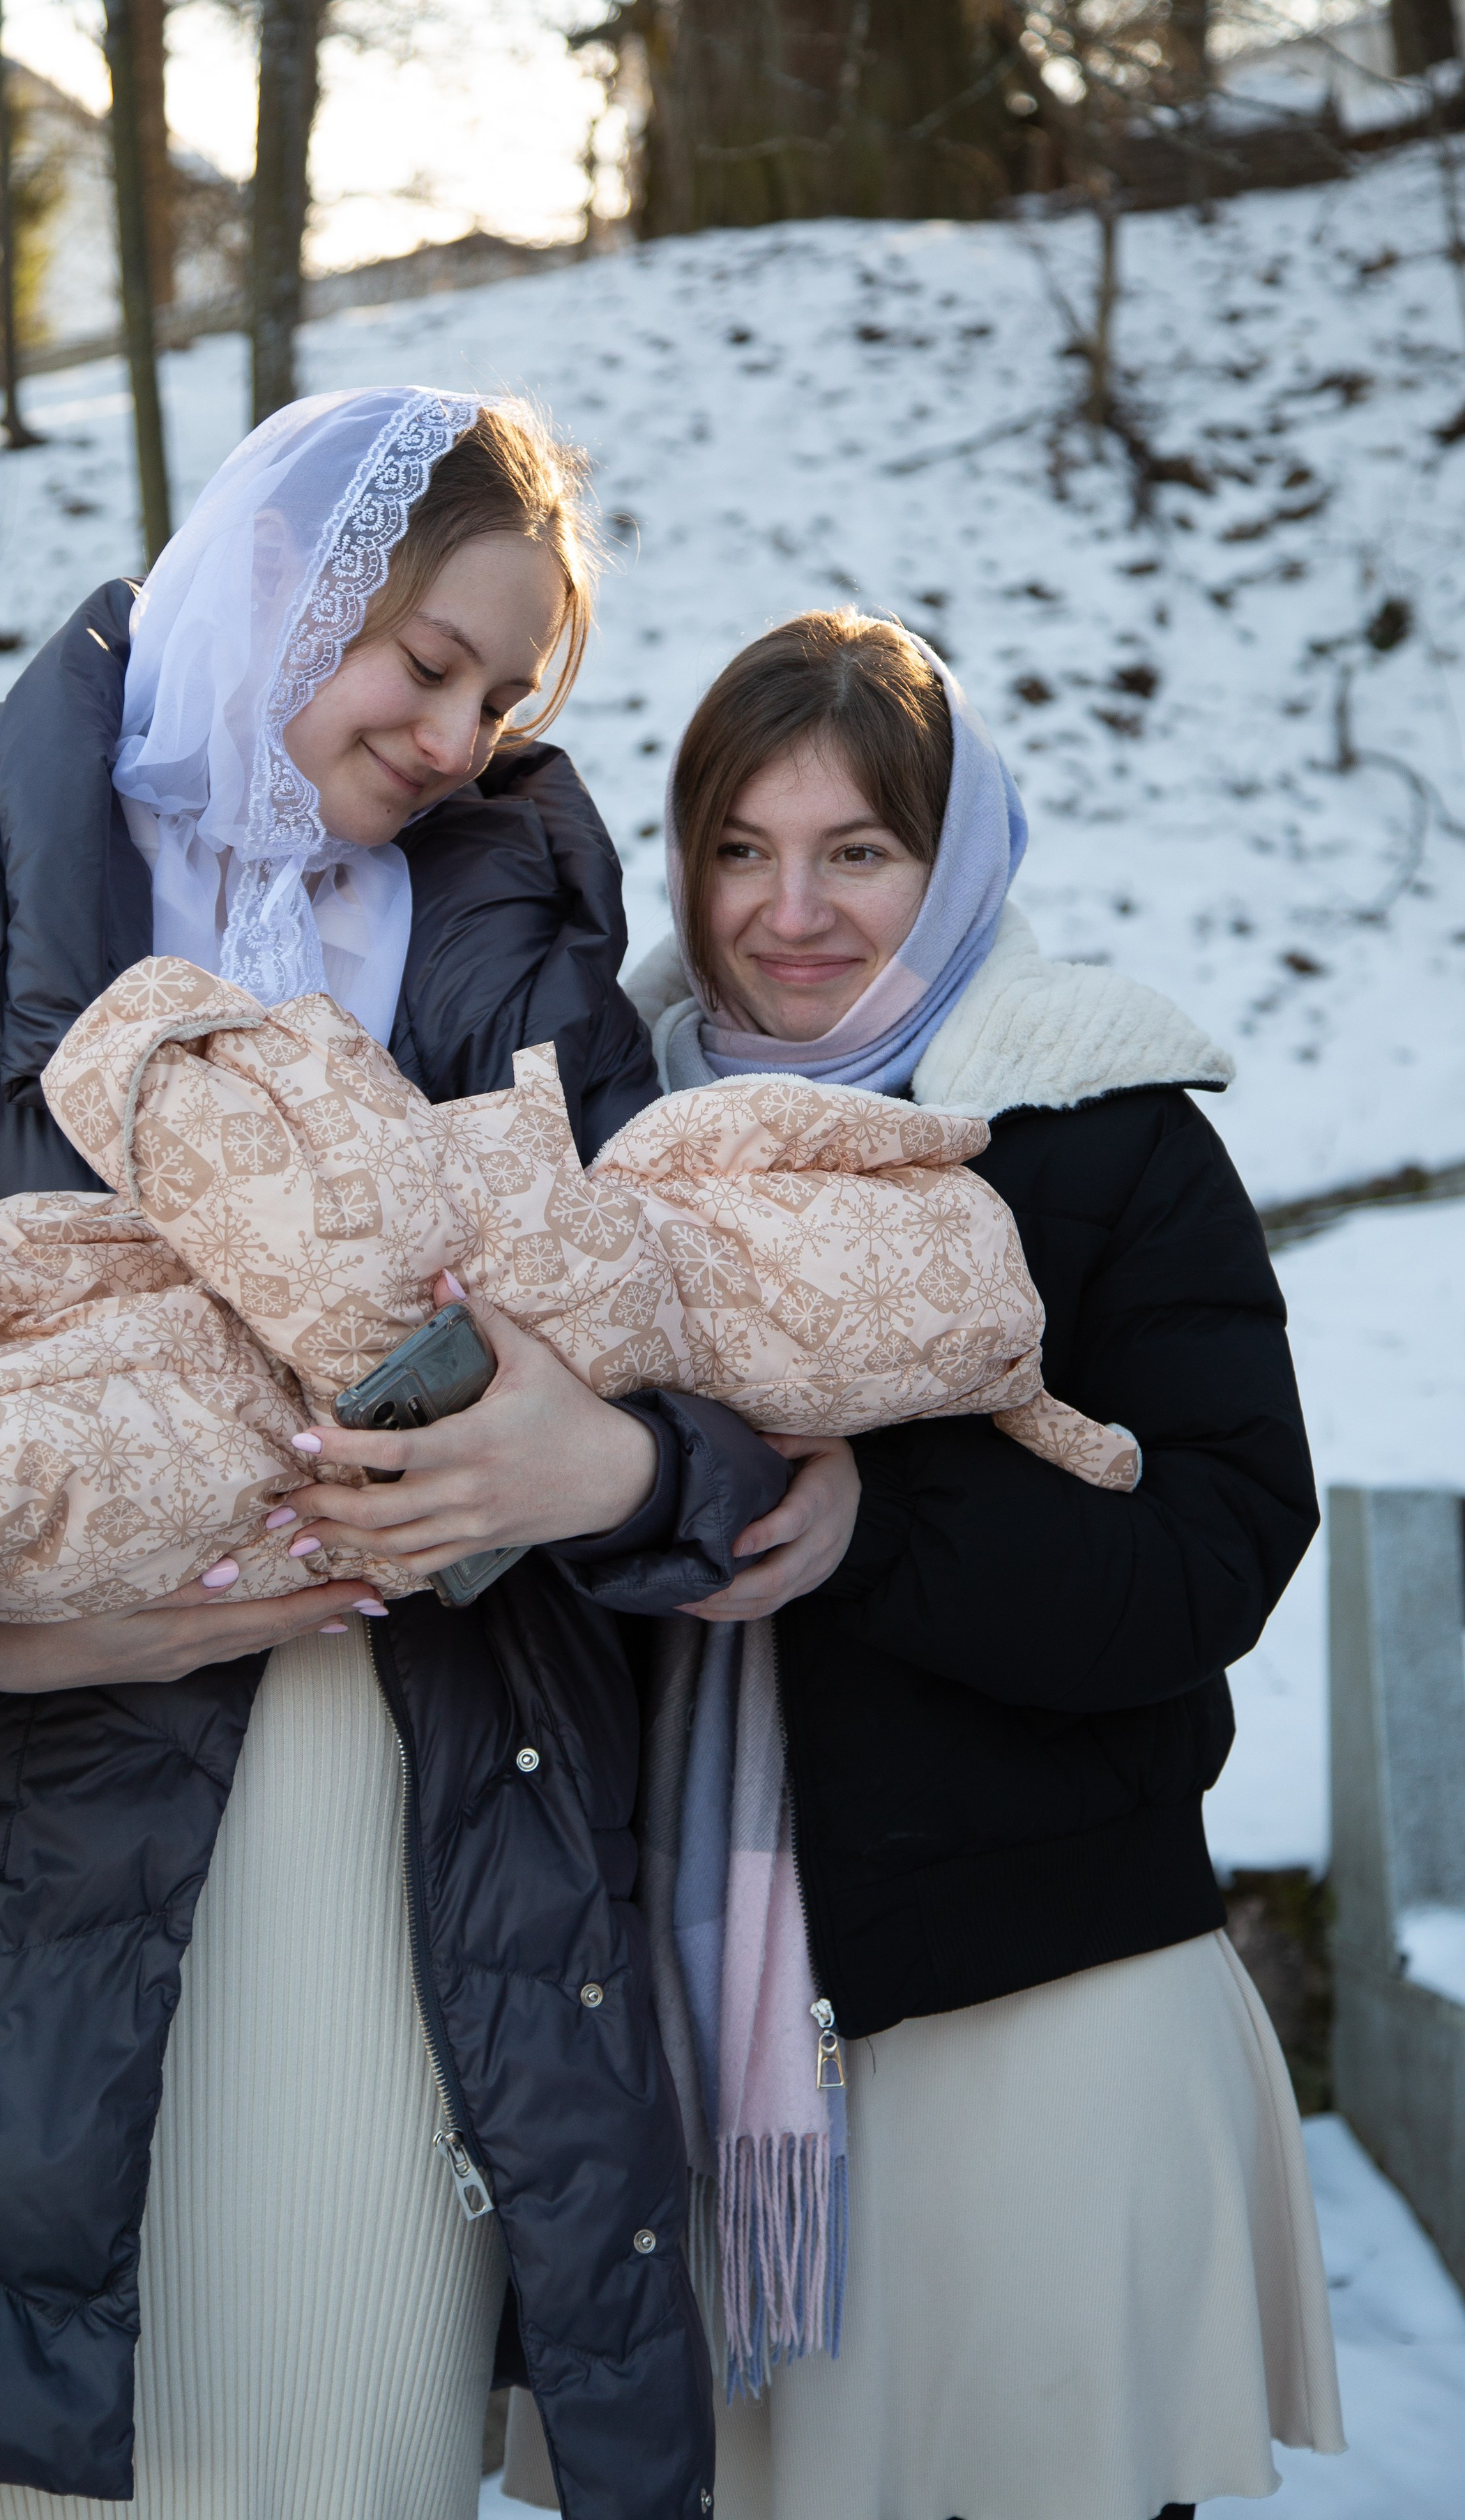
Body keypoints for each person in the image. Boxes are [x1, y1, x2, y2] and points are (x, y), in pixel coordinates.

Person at [0, 390, 856, 2520]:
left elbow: (701, 1354)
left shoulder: (514, 993)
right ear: (279, 585)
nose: (451, 731)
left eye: (499, 696)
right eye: (422, 659)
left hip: (417, 1917)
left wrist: (598, 1470)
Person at [493, 609, 1346, 2520]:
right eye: (741, 848)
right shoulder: (598, 1149)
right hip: (676, 2044)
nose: (791, 910)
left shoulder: (1093, 1126)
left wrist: (886, 1527)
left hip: (1043, 2027)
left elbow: (1219, 1548)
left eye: (858, 850)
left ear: (949, 863)